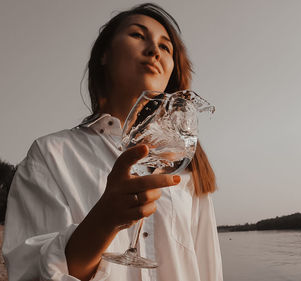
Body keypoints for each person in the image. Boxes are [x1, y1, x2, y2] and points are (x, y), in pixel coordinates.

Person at [2, 3, 223, 281]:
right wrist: (105, 218)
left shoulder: (184, 166)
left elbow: (208, 268)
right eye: (137, 35)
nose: (155, 50)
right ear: (104, 54)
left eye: (166, 47)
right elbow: (29, 274)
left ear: (171, 74)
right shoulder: (50, 155)